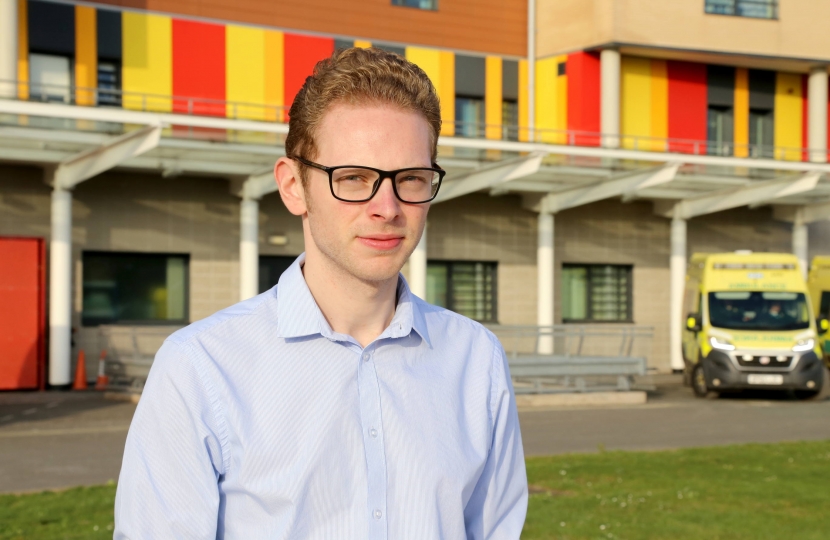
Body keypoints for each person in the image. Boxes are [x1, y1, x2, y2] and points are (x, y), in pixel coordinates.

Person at [114, 47, 527, 539]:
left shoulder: (475, 357)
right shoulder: (201, 367)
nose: (387, 207)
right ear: (293, 187)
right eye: (354, 178)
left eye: (411, 178)